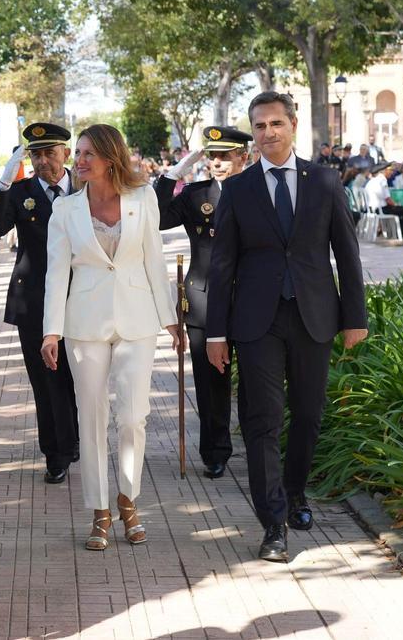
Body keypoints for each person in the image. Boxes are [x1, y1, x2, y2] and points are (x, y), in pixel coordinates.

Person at [206, 91, 368, 563]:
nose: (268, 133)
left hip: (315, 316)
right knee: (262, 420)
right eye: (259, 126)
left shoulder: (324, 181)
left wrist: (354, 317)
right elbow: (222, 267)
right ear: (252, 134)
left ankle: (295, 491)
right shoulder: (238, 189)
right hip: (257, 322)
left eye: (276, 123)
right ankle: (273, 522)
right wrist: (216, 333)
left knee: (309, 415)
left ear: (293, 125)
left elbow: (347, 253)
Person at [41, 124, 180, 551]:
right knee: (92, 417)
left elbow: (155, 261)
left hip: (138, 321)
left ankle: (128, 500)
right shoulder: (65, 210)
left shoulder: (144, 198)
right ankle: (100, 511)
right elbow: (56, 273)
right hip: (84, 324)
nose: (79, 161)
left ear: (110, 158)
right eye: (77, 153)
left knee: (133, 418)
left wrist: (171, 319)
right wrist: (51, 330)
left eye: (87, 154)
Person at [0, 122, 80, 484]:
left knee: (79, 374)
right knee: (46, 377)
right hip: (35, 299)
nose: (42, 162)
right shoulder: (21, 192)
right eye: (36, 155)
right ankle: (56, 452)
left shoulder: (85, 188)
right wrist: (3, 185)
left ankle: (74, 437)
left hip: (81, 296)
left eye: (49, 153)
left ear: (65, 154)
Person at [153, 125, 252, 479]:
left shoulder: (260, 189)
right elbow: (158, 217)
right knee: (211, 383)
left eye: (225, 155)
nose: (218, 162)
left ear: (244, 156)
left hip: (251, 299)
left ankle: (258, 449)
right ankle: (215, 451)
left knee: (255, 380)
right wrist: (177, 170)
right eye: (212, 156)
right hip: (204, 299)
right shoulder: (197, 194)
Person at [365, 163, 403, 239]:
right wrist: (397, 204)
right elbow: (388, 199)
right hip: (381, 209)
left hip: (372, 209)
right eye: (390, 170)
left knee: (402, 210)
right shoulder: (382, 180)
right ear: (383, 171)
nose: (392, 172)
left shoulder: (371, 181)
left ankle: (397, 232)